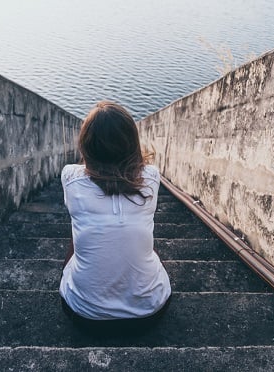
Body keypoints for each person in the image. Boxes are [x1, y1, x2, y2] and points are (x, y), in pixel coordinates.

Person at [59, 100, 171, 335]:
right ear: (131, 142)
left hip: (85, 314)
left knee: (78, 236)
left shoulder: (70, 178)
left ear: (86, 144)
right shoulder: (151, 177)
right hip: (150, 312)